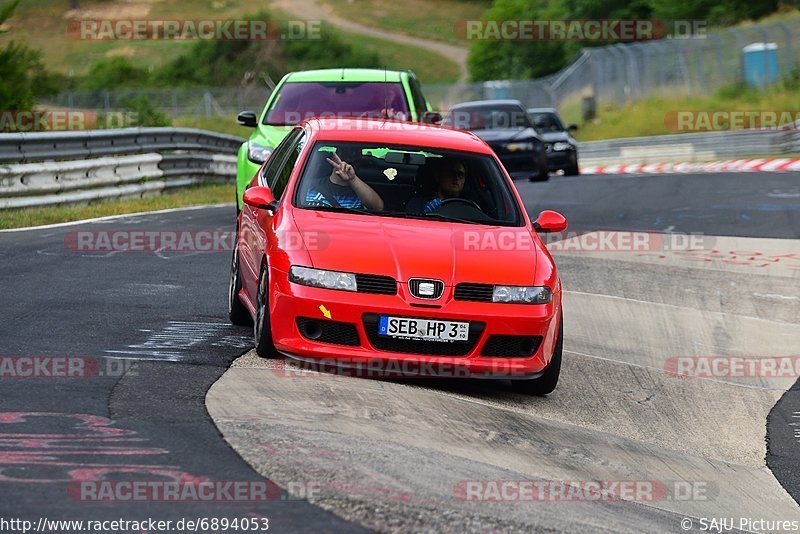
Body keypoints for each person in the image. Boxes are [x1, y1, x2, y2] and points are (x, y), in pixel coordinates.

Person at [304, 147, 384, 211]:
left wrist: (353, 179)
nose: (349, 158)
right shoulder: (308, 185)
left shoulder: (362, 193)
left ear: (359, 162)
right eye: (344, 153)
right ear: (333, 158)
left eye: (354, 155)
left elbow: (378, 208)